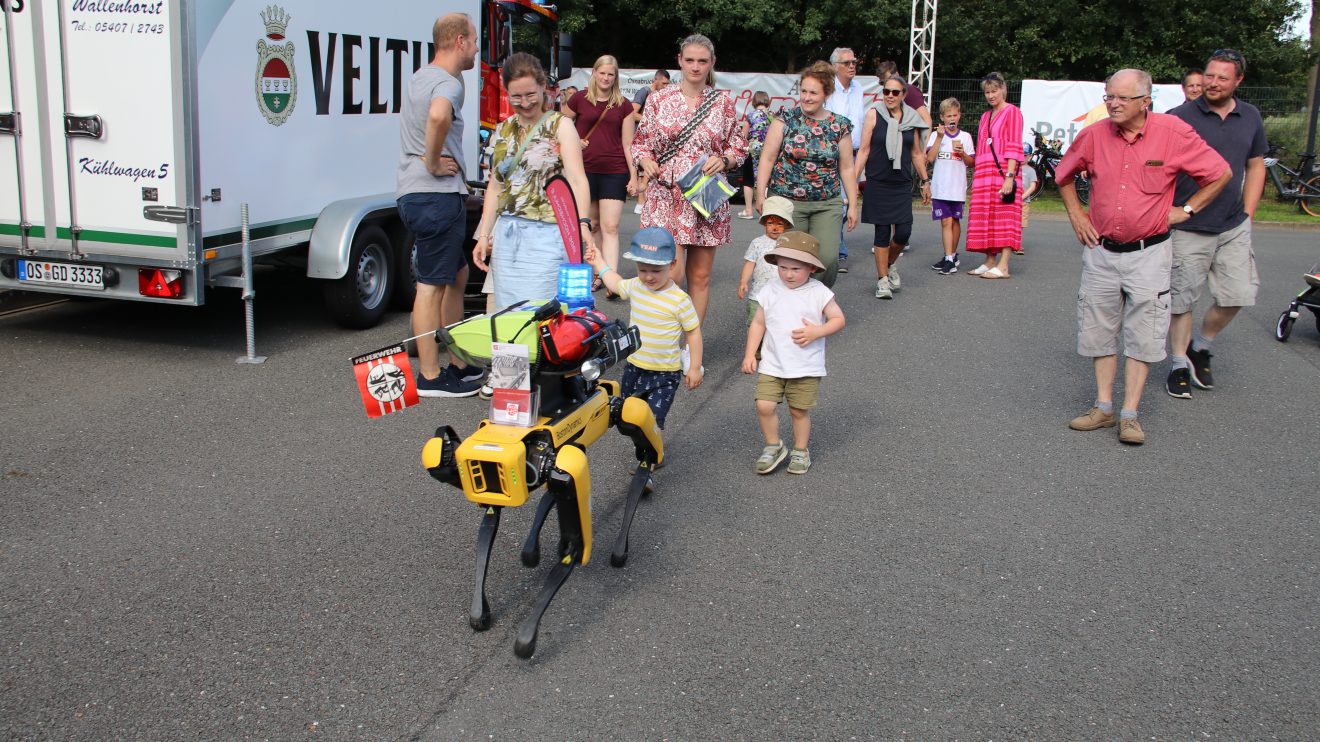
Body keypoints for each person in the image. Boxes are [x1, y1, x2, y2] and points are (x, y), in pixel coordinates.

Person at [1056, 68, 1231, 446]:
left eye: (1122, 98)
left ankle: (1129, 415)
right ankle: (1103, 407)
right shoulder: (1094, 135)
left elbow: (1220, 173)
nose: (1113, 104)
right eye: (1109, 96)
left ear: (1145, 101)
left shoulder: (1173, 133)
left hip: (1150, 252)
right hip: (1101, 251)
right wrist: (1076, 214)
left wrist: (1187, 209)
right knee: (1099, 330)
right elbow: (1064, 175)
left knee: (1145, 334)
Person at [1164, 49, 1267, 400]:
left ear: (1238, 81)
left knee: (1238, 295)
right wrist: (1171, 210)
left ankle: (1201, 346)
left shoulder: (1250, 116)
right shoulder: (1178, 117)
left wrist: (1248, 212)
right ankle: (1178, 363)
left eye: (1223, 77)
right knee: (1181, 301)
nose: (1213, 82)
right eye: (1210, 75)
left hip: (1233, 224)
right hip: (1189, 225)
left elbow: (1255, 164)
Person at [632, 33, 748, 324]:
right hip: (666, 193)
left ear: (712, 64)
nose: (696, 67)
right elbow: (641, 142)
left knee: (700, 276)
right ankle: (662, 338)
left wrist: (723, 160)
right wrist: (645, 160)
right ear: (680, 62)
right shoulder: (658, 99)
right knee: (670, 271)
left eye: (702, 61)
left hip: (705, 192)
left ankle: (690, 347)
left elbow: (739, 147)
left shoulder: (722, 103)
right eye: (690, 60)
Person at [397, 13, 483, 398]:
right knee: (430, 287)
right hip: (435, 196)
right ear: (460, 41)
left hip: (419, 196)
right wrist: (432, 162)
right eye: (476, 39)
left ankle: (459, 360)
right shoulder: (447, 83)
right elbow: (437, 115)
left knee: (458, 276)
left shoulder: (421, 75)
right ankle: (431, 377)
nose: (478, 47)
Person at [471, 53, 595, 312]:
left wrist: (582, 225)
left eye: (530, 94)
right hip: (508, 236)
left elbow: (577, 179)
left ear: (542, 87)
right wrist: (484, 235)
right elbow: (496, 186)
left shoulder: (560, 125)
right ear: (506, 92)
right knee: (507, 313)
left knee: (541, 312)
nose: (524, 103)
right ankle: (511, 355)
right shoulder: (503, 129)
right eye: (516, 96)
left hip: (547, 236)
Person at [741, 231, 845, 475]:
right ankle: (773, 446)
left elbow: (838, 319)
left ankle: (800, 450)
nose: (788, 274)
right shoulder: (770, 289)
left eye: (796, 269)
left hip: (805, 365)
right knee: (764, 405)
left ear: (810, 268)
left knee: (798, 410)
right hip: (772, 363)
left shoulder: (819, 292)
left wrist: (817, 332)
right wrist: (749, 354)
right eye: (783, 267)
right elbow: (758, 323)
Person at [587, 227, 703, 429]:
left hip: (665, 373)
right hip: (635, 366)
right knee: (628, 419)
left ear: (672, 264)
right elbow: (615, 284)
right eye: (643, 270)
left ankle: (651, 456)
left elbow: (693, 332)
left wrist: (694, 367)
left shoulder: (680, 300)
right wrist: (599, 263)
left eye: (656, 271)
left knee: (652, 422)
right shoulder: (636, 286)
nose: (649, 277)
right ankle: (645, 448)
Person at [756, 61, 859, 289]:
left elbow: (847, 168)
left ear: (826, 94)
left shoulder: (839, 126)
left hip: (827, 203)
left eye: (813, 93)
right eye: (803, 91)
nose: (807, 97)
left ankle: (813, 300)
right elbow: (768, 158)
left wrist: (852, 204)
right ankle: (788, 309)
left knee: (828, 259)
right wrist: (760, 193)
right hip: (787, 202)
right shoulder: (785, 119)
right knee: (791, 260)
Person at [563, 55, 638, 298]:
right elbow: (558, 127)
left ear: (616, 77)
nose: (606, 78)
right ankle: (597, 273)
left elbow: (629, 143)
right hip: (583, 170)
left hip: (615, 170)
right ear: (594, 73)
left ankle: (612, 279)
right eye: (602, 73)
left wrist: (634, 176)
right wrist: (574, 142)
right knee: (592, 225)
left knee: (611, 226)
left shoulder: (624, 105)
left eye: (611, 74)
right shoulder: (578, 99)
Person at [853, 75, 930, 299]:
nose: (889, 96)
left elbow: (916, 153)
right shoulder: (873, 114)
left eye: (895, 92)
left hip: (902, 182)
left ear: (904, 95)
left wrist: (926, 181)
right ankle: (882, 280)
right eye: (886, 91)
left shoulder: (912, 118)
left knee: (904, 233)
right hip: (878, 181)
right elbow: (865, 150)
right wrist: (853, 180)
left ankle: (887, 264)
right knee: (883, 231)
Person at [965, 72, 1024, 280]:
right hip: (984, 173)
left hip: (1003, 173)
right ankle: (990, 260)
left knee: (1005, 217)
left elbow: (1014, 145)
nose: (990, 96)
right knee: (986, 217)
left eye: (994, 91)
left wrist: (1009, 176)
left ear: (1003, 89)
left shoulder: (1013, 112)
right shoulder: (985, 116)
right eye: (987, 92)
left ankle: (1004, 265)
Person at [826, 47, 866, 274]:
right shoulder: (829, 89)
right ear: (835, 66)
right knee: (837, 202)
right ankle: (838, 250)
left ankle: (835, 246)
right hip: (833, 154)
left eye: (854, 62)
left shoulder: (858, 88)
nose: (852, 66)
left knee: (847, 201)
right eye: (847, 62)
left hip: (854, 153)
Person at [926, 97, 975, 275]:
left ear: (959, 116)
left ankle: (952, 255)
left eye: (955, 115)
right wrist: (939, 137)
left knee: (954, 221)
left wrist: (963, 154)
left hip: (957, 187)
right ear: (942, 117)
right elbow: (929, 159)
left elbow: (971, 162)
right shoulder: (935, 135)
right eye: (948, 116)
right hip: (940, 187)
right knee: (945, 221)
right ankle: (948, 258)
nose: (952, 118)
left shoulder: (966, 137)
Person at [738, 195, 794, 325]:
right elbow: (750, 263)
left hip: (783, 295)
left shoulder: (790, 243)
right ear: (764, 223)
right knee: (755, 325)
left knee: (780, 325)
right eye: (770, 223)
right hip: (758, 295)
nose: (774, 228)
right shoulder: (757, 243)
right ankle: (756, 346)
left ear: (786, 225)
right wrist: (743, 282)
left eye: (780, 224)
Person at [631, 70, 671, 215]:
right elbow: (632, 113)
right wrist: (649, 118)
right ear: (656, 80)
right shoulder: (644, 92)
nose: (666, 86)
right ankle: (641, 203)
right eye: (664, 83)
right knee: (644, 171)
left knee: (653, 171)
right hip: (642, 137)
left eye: (668, 84)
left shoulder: (663, 96)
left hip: (656, 138)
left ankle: (648, 202)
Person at [737, 91, 774, 219]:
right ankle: (767, 209)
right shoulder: (772, 116)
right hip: (769, 150)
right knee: (766, 179)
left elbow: (743, 136)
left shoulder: (751, 116)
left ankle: (748, 210)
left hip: (752, 151)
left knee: (748, 180)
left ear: (754, 102)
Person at [876, 61, 932, 126]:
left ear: (897, 74)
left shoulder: (911, 91)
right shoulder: (886, 93)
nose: (887, 84)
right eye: (882, 83)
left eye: (889, 79)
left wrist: (926, 136)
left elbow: (927, 120)